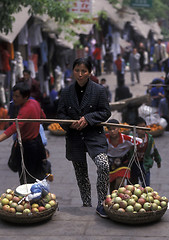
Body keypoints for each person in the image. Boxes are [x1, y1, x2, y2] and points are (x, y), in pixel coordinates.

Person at [56, 57, 111, 218]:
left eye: (83, 71)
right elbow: (60, 114)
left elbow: (105, 112)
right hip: (75, 138)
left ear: (90, 72)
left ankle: (102, 203)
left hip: (94, 136)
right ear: (73, 71)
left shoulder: (99, 90)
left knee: (103, 166)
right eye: (77, 70)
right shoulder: (66, 92)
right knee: (81, 174)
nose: (80, 74)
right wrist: (69, 123)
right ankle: (86, 203)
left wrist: (88, 119)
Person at [0, 82, 47, 184]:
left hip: (29, 147)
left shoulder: (26, 109)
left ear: (25, 97)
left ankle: (29, 197)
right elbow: (43, 118)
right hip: (37, 142)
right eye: (13, 95)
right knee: (36, 175)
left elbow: (13, 128)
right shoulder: (35, 103)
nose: (14, 98)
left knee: (27, 177)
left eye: (17, 96)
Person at [105, 119, 142, 192]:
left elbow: (139, 141)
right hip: (109, 161)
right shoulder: (104, 138)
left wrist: (131, 148)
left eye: (114, 129)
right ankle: (113, 201)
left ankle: (121, 197)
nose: (112, 131)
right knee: (111, 185)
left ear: (119, 128)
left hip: (123, 161)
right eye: (109, 129)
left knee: (120, 184)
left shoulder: (125, 138)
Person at [130, 117, 161, 187]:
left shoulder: (149, 138)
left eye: (144, 126)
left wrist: (158, 160)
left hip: (144, 163)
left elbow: (154, 150)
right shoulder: (131, 138)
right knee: (133, 185)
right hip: (133, 163)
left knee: (146, 184)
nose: (143, 129)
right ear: (135, 129)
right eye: (140, 128)